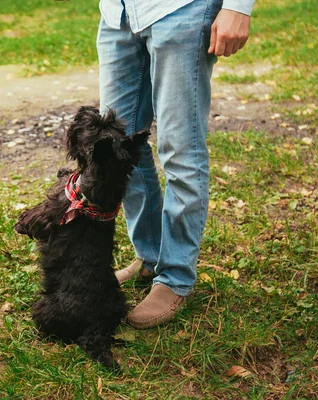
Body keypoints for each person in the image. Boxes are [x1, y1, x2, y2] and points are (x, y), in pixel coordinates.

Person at [98, 0, 256, 329]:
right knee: (116, 146)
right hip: (119, 14)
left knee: (180, 149)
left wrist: (239, 6)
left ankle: (175, 278)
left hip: (181, 10)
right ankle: (151, 255)